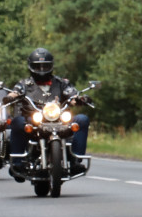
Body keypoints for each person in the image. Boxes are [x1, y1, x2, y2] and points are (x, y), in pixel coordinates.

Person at [7, 48, 90, 176]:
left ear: (51, 66)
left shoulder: (61, 83)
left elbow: (71, 94)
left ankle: (75, 160)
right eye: (38, 66)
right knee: (18, 122)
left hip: (60, 120)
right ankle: (18, 163)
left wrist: (78, 99)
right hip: (34, 120)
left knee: (82, 119)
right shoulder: (24, 84)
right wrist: (11, 96)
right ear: (31, 66)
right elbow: (16, 91)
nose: (41, 70)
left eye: (45, 66)